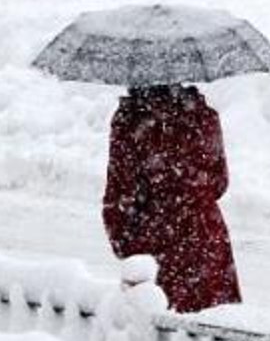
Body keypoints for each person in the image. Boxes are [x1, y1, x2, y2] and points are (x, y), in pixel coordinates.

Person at [103, 84, 241, 313]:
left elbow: (121, 191)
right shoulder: (203, 116)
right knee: (213, 323)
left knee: (157, 321)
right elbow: (219, 183)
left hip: (155, 237)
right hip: (206, 236)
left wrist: (126, 244)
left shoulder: (131, 120)